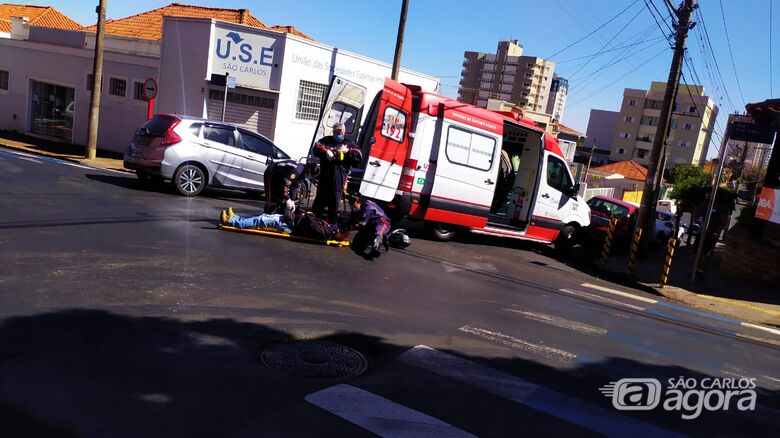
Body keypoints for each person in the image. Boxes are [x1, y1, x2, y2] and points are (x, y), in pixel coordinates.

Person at [311, 122, 362, 224]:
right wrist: (326, 151)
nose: (337, 134)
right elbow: (316, 147)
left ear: (343, 132)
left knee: (334, 207)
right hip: (324, 179)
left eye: (339, 132)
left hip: (338, 181)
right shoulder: (326, 140)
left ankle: (331, 227)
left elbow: (359, 155)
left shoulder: (349, 143)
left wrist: (348, 151)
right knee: (318, 205)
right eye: (335, 132)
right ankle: (313, 224)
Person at [344, 193, 391, 259]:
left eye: (353, 205)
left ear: (359, 202)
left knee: (378, 233)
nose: (352, 207)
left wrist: (349, 228)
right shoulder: (355, 207)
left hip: (381, 222)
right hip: (369, 224)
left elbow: (362, 224)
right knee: (356, 244)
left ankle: (375, 249)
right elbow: (352, 221)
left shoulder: (367, 207)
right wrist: (345, 229)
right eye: (351, 205)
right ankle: (382, 239)